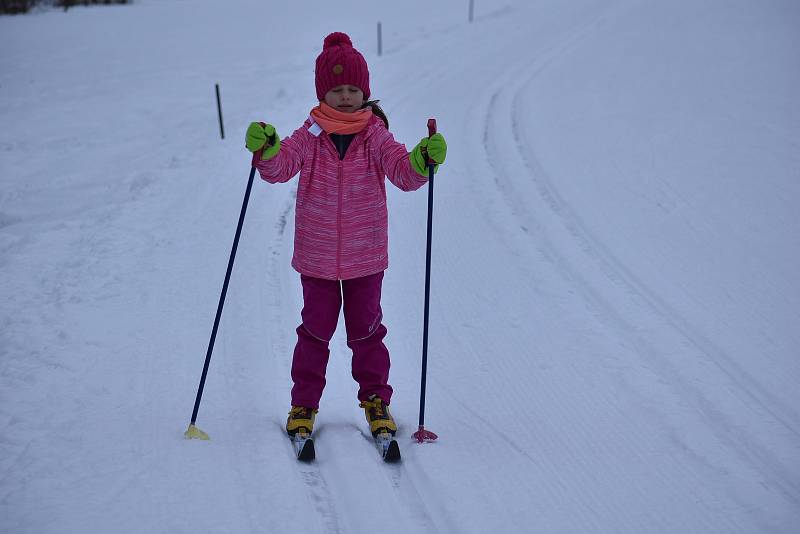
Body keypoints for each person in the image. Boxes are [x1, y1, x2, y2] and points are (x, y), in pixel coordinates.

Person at [245, 31, 447, 439]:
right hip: (317, 258)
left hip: (365, 258)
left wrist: (422, 161)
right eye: (336, 89)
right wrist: (266, 152)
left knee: (367, 333)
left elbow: (402, 172)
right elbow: (281, 167)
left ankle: (376, 401)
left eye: (353, 88)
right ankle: (303, 404)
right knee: (314, 333)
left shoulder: (375, 135)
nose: (345, 96)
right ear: (323, 92)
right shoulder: (310, 134)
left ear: (365, 91)